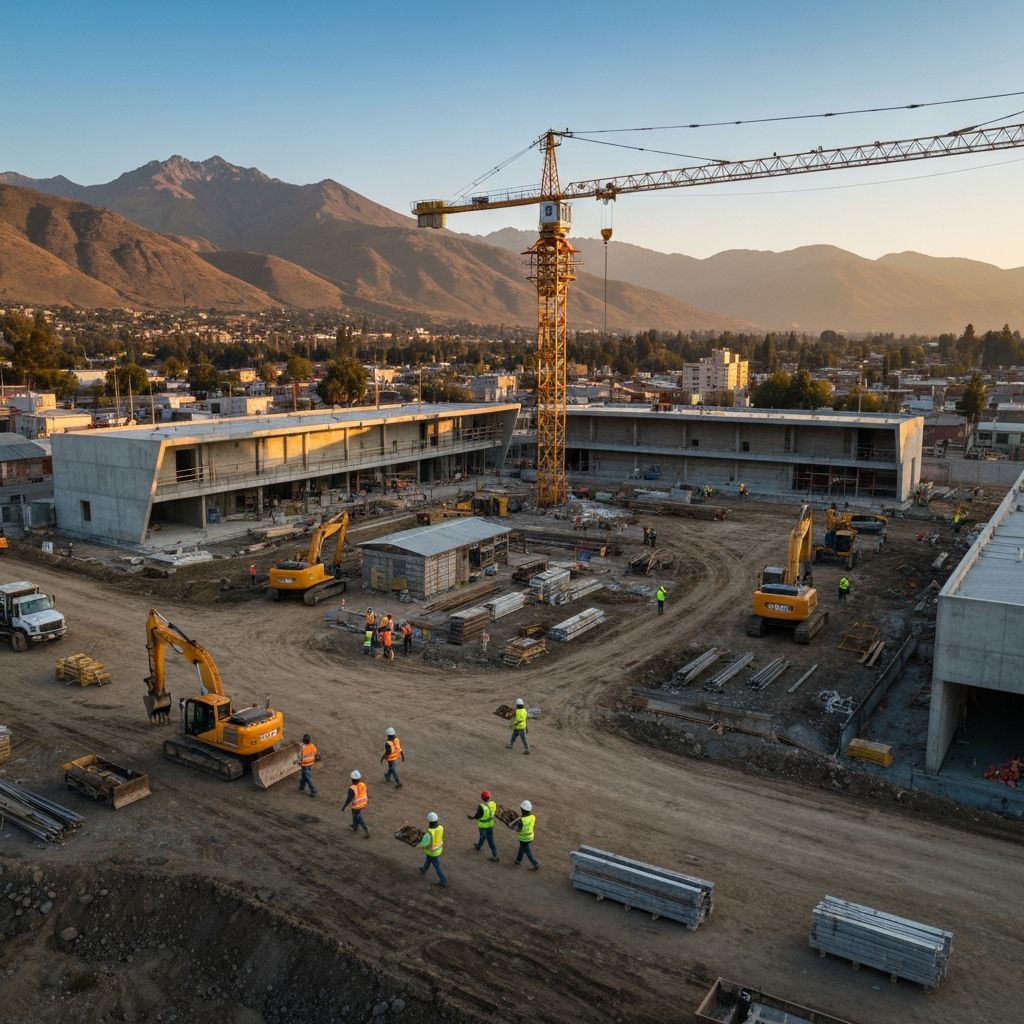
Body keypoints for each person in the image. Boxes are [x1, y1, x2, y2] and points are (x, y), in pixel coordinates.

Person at [418, 811, 448, 886]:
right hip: (438, 849)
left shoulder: (429, 833)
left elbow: (423, 844)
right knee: (428, 859)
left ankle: (444, 881)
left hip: (432, 852)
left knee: (437, 866)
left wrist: (420, 843)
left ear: (429, 822)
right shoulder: (441, 828)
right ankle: (423, 869)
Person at [469, 789, 499, 861]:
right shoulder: (493, 803)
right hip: (490, 825)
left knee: (483, 837)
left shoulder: (481, 807)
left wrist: (472, 817)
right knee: (491, 840)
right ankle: (479, 846)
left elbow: (477, 816)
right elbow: (495, 811)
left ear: (482, 798)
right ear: (489, 797)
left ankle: (495, 856)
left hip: (483, 826)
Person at [341, 770, 370, 837]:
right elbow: (365, 792)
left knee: (358, 817)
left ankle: (366, 830)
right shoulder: (363, 784)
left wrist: (344, 806)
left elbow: (349, 799)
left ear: (352, 779)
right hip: (363, 801)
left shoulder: (352, 789)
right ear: (359, 779)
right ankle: (355, 826)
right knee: (355, 815)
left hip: (357, 805)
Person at [513, 800, 539, 870]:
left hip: (523, 838)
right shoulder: (533, 817)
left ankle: (535, 863)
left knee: (527, 850)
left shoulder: (521, 820)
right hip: (530, 836)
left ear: (522, 810)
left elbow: (517, 829)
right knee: (522, 848)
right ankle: (518, 860)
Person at [296, 733, 321, 797]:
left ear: (303, 741)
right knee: (304, 775)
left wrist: (298, 762)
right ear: (309, 741)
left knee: (307, 778)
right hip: (310, 764)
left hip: (304, 765)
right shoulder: (313, 746)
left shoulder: (302, 748)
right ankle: (301, 786)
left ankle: (314, 790)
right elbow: (315, 754)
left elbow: (299, 758)